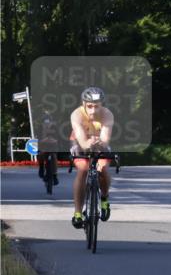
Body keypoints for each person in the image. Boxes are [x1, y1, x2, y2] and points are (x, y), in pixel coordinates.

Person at [70, 87, 115, 228]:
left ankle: (104, 199)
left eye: (97, 106)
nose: (93, 111)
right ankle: (78, 213)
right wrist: (87, 143)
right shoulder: (76, 114)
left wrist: (100, 142)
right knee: (83, 169)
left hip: (99, 143)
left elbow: (105, 138)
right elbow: (82, 141)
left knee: (102, 168)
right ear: (83, 103)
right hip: (80, 142)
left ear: (102, 105)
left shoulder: (107, 114)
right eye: (89, 106)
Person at [37, 112, 59, 186]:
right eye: (45, 122)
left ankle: (55, 176)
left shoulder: (55, 127)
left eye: (48, 121)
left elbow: (59, 137)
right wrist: (42, 141)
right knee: (41, 154)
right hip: (43, 145)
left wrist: (55, 140)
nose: (47, 124)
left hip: (53, 145)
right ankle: (41, 168)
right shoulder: (40, 127)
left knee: (54, 157)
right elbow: (38, 138)